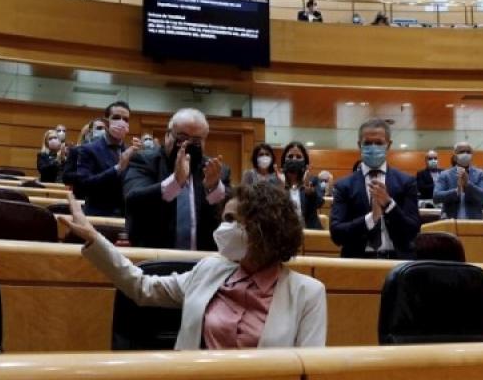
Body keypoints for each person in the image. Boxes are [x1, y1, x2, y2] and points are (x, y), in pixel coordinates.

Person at [61, 183, 327, 349]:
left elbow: (309, 370)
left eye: (233, 219)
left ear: (265, 227)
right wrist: (94, 238)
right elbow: (143, 287)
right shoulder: (209, 270)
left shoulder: (307, 293)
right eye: (224, 218)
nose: (224, 228)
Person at [124, 108, 231, 250]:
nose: (187, 145)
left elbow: (231, 214)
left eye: (196, 141)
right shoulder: (144, 160)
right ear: (168, 135)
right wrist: (175, 182)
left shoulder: (217, 170)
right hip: (154, 256)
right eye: (182, 138)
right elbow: (133, 200)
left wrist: (214, 189)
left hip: (202, 260)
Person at [329, 119, 420, 259]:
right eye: (367, 143)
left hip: (398, 262)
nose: (373, 147)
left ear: (388, 145)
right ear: (359, 145)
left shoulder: (406, 182)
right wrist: (371, 218)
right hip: (358, 262)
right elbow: (337, 234)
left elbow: (413, 231)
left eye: (378, 143)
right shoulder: (343, 186)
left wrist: (389, 205)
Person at [74, 102, 140, 217]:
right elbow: (83, 186)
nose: (121, 122)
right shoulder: (88, 149)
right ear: (105, 122)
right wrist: (117, 168)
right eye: (116, 117)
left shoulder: (130, 151)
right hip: (97, 216)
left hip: (125, 216)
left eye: (125, 119)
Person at [433, 142, 483, 219]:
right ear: (455, 156)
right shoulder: (445, 174)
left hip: (474, 221)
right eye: (461, 152)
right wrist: (456, 191)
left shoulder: (481, 174)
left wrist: (468, 185)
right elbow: (436, 197)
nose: (465, 154)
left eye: (468, 152)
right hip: (449, 221)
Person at [280, 141, 323, 230]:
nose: (294, 159)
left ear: (305, 162)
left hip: (310, 233)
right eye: (290, 156)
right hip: (284, 234)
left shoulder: (312, 180)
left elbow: (320, 203)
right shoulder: (278, 181)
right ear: (284, 160)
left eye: (299, 157)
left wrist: (311, 193)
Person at [63, 118, 106, 198]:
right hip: (82, 197)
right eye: (99, 128)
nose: (103, 131)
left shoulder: (112, 152)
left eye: (105, 129)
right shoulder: (76, 151)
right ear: (90, 131)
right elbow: (66, 177)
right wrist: (84, 174)